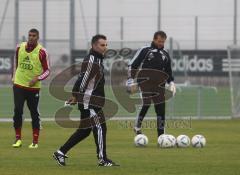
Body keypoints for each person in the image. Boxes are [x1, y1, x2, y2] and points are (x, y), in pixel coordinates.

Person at [53, 34, 119, 167]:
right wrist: (76, 95)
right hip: (89, 101)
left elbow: (84, 78)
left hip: (92, 100)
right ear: (94, 46)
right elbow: (83, 79)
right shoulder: (92, 60)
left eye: (106, 45)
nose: (105, 47)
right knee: (100, 127)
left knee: (84, 130)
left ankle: (60, 152)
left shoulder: (98, 60)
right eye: (102, 45)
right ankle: (103, 159)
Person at [127, 31, 176, 137]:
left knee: (161, 110)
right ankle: (137, 126)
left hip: (159, 86)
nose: (161, 44)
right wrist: (130, 80)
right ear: (154, 39)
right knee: (146, 103)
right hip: (145, 83)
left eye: (163, 42)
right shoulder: (145, 50)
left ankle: (161, 136)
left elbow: (168, 71)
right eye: (159, 41)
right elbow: (133, 65)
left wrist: (171, 82)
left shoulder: (165, 54)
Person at [12, 28, 50, 148]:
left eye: (34, 35)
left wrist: (37, 78)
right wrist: (14, 76)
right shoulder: (19, 47)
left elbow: (47, 70)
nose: (31, 37)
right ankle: (18, 139)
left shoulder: (42, 52)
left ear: (37, 37)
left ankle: (35, 142)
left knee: (34, 113)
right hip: (19, 84)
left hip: (33, 88)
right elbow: (16, 63)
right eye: (30, 35)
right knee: (18, 110)